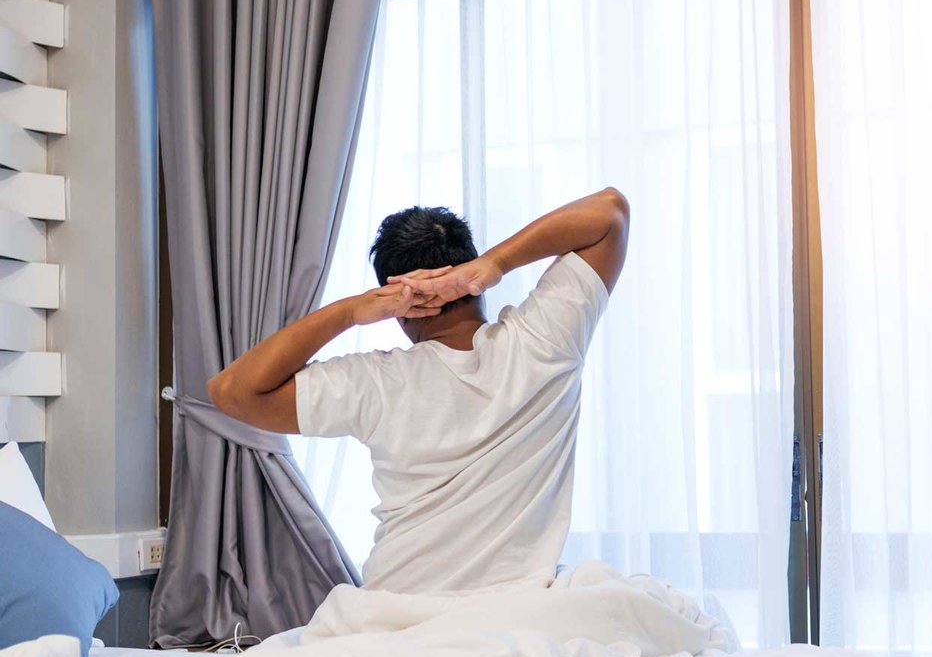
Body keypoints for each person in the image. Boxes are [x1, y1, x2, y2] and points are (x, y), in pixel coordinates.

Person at [207, 188, 630, 594]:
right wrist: (496, 263)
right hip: (519, 605)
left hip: (398, 608)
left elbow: (232, 392)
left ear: (398, 304)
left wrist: (352, 310)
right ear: (469, 268)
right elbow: (610, 213)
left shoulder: (375, 382)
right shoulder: (544, 341)